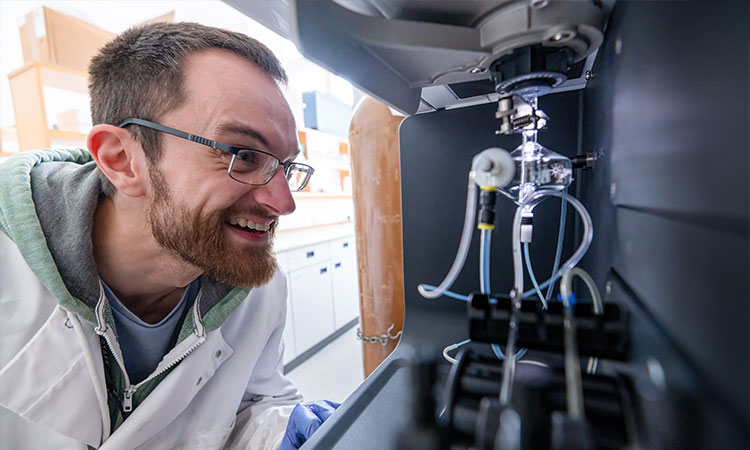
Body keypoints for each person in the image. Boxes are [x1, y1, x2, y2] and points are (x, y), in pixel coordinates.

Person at [0, 21, 339, 449]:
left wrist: (278, 431)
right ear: (121, 159)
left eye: (286, 166)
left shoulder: (257, 288)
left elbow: (250, 403)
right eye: (243, 155)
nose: (283, 202)